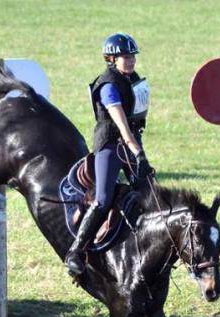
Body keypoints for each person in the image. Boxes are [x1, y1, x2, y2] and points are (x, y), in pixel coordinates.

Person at [64, 32, 153, 277]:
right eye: (126, 56)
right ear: (111, 59)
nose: (131, 60)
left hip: (131, 143)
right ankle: (76, 251)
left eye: (133, 55)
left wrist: (139, 154)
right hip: (111, 146)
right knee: (103, 198)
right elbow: (122, 125)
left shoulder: (131, 78)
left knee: (150, 193)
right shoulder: (108, 85)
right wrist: (138, 153)